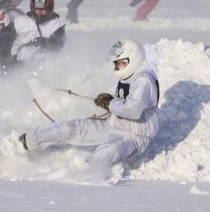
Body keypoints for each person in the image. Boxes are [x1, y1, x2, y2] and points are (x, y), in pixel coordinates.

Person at [19, 39, 159, 177]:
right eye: (116, 64)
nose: (118, 67)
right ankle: (28, 140)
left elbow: (133, 110)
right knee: (71, 128)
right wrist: (109, 101)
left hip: (134, 137)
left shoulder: (144, 80)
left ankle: (86, 178)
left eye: (121, 63)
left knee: (105, 153)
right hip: (113, 125)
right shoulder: (128, 76)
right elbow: (123, 102)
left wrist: (110, 103)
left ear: (133, 59)